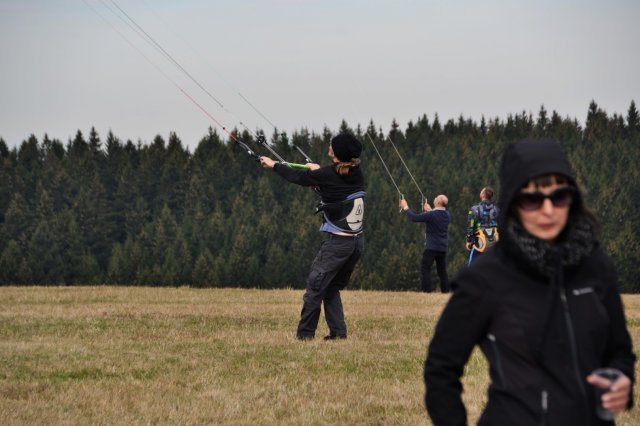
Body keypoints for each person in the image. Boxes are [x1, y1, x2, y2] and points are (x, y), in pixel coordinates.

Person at [424, 138, 635, 425]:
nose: (548, 210)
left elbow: (619, 349)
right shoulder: (486, 276)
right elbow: (441, 368)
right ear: (513, 203)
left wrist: (623, 381)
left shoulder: (596, 265)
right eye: (533, 199)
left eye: (559, 196)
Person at [259, 133, 365, 341]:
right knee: (331, 287)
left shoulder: (327, 175)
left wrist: (273, 165)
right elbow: (332, 181)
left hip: (339, 244)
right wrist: (317, 172)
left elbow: (297, 177)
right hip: (356, 244)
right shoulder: (355, 172)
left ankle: (305, 336)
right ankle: (338, 334)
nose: (329, 147)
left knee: (316, 287)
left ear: (337, 153)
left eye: (332, 146)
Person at [399, 195, 451, 293]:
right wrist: (430, 210)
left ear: (438, 202)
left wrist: (405, 207)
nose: (434, 198)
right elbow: (436, 217)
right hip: (442, 248)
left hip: (431, 247)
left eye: (436, 198)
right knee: (442, 271)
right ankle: (446, 291)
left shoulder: (431, 215)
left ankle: (427, 291)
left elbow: (414, 218)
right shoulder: (447, 215)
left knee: (425, 268)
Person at [465, 187, 499, 265]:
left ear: (483, 195)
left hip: (479, 241)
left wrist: (469, 240)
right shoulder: (497, 209)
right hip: (494, 241)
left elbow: (470, 225)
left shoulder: (475, 209)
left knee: (472, 265)